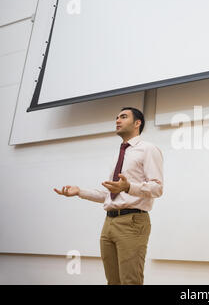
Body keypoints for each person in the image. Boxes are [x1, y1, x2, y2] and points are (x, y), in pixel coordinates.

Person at [53, 107, 163, 285]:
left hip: (132, 222)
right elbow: (111, 194)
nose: (117, 120)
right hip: (109, 223)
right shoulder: (120, 153)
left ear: (137, 123)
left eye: (123, 117)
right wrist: (79, 191)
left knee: (130, 281)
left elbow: (157, 188)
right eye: (117, 117)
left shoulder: (148, 149)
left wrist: (128, 187)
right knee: (113, 281)